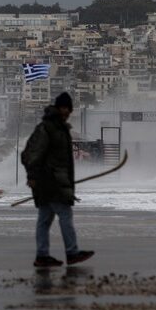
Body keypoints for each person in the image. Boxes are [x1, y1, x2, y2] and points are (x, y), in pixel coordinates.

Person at [21, 92, 94, 267]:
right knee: (65, 215)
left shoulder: (60, 128)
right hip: (51, 182)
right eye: (63, 108)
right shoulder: (47, 128)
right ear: (58, 108)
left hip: (53, 181)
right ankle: (72, 252)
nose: (66, 112)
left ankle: (42, 255)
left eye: (68, 109)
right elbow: (32, 154)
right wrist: (32, 176)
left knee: (44, 219)